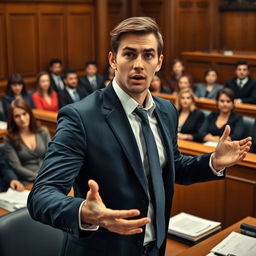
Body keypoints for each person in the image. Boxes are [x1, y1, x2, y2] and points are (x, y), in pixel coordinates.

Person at [28, 17, 251, 256]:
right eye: (129, 54)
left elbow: (171, 166)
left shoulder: (166, 111)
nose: (138, 64)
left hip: (154, 248)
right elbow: (41, 195)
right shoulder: (80, 117)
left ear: (159, 62)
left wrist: (212, 163)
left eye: (148, 55)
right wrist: (83, 211)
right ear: (113, 60)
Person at [4, 98, 50, 184]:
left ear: (29, 113)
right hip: (28, 181)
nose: (22, 119)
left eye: (24, 114)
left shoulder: (43, 131)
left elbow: (51, 155)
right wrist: (38, 177)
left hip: (48, 175)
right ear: (12, 119)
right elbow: (16, 166)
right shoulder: (9, 138)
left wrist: (48, 174)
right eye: (17, 116)